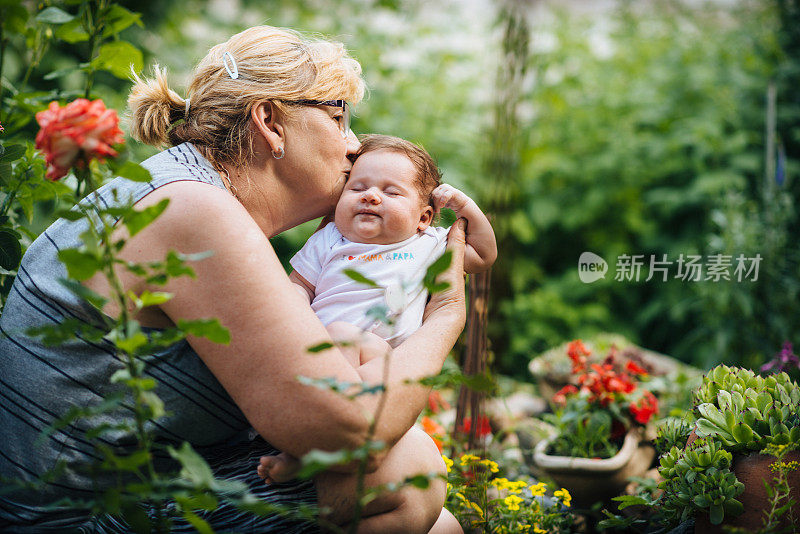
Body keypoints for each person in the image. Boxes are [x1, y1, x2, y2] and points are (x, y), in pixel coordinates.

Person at [0, 26, 466, 533]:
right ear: (270, 121)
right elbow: (348, 432)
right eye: (338, 118)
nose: (354, 146)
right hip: (68, 520)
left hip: (113, 493)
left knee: (440, 524)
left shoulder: (182, 189)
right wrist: (445, 314)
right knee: (406, 471)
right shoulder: (194, 210)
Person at [258, 134, 496, 485]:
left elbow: (484, 255)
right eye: (357, 188)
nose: (371, 196)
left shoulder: (429, 244)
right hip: (319, 354)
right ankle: (309, 447)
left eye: (392, 192)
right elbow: (298, 286)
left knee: (345, 356)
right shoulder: (330, 240)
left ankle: (307, 454)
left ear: (424, 216)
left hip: (387, 360)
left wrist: (466, 208)